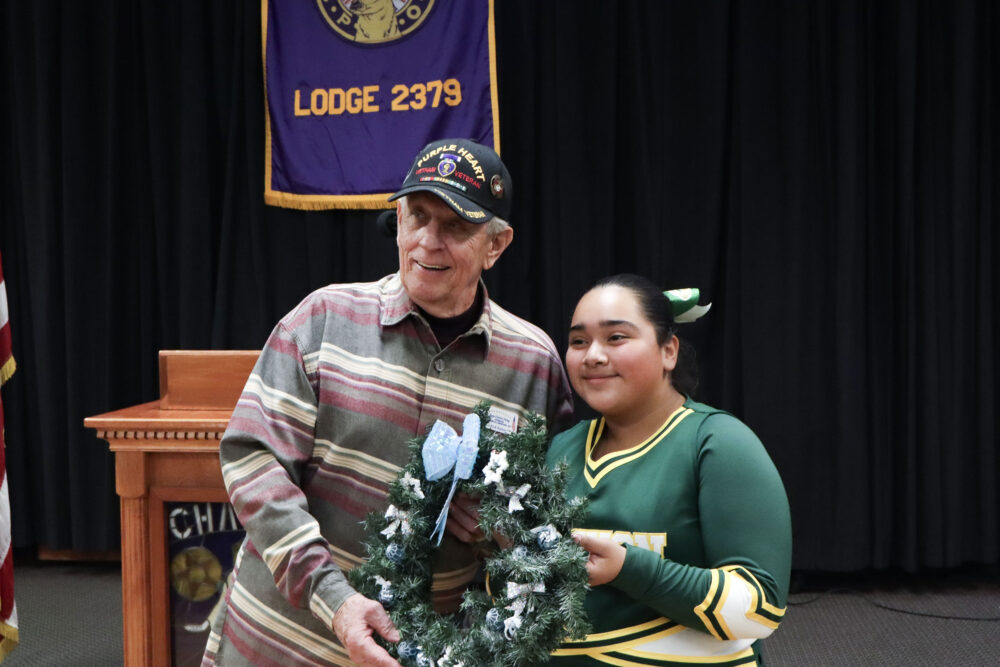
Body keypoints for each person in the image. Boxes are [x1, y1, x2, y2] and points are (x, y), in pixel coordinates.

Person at [202, 138, 573, 667]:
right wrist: (335, 600)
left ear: (496, 244)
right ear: (397, 219)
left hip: (416, 654)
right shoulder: (323, 319)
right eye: (417, 216)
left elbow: (545, 522)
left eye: (456, 226)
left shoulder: (533, 364)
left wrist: (498, 528)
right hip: (278, 641)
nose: (428, 241)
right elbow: (253, 461)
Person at [546, 274, 791, 666]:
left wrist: (630, 567)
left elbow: (759, 609)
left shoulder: (719, 443)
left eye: (616, 338)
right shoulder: (562, 446)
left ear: (669, 351)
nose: (592, 355)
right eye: (579, 341)